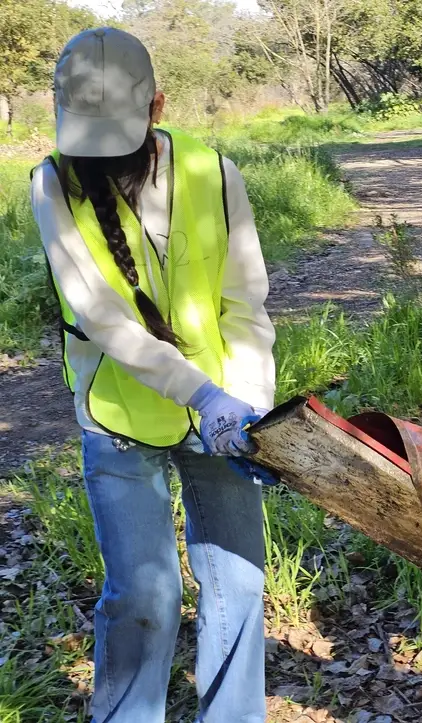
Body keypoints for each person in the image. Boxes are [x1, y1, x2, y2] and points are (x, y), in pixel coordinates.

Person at [31, 28, 276, 723]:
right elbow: (101, 317)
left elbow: (243, 301)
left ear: (158, 105)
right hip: (119, 418)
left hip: (222, 416)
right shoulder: (52, 182)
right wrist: (203, 392)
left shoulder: (212, 170)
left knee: (239, 581)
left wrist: (248, 404)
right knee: (144, 595)